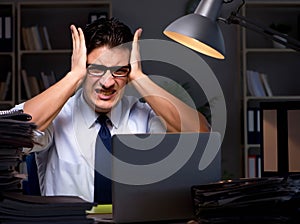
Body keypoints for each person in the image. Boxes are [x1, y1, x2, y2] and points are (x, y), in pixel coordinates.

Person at [14, 17, 210, 203]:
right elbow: (13, 131)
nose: (108, 82)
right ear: (83, 67)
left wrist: (140, 78)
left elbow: (202, 137)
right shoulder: (58, 116)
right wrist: (73, 76)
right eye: (96, 69)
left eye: (119, 70)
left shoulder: (144, 115)